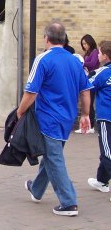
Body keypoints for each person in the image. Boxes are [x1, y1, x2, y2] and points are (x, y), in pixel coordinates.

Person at [18, 22, 91, 217]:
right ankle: (36, 189)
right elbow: (85, 91)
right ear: (64, 39)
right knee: (51, 156)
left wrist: (20, 110)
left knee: (53, 158)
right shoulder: (76, 61)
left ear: (46, 38)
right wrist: (85, 115)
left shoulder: (42, 59)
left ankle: (68, 203)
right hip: (67, 119)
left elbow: (31, 91)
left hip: (48, 118)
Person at [86, 41, 111, 199]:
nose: (98, 55)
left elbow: (87, 86)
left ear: (105, 56)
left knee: (107, 152)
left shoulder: (102, 73)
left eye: (100, 53)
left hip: (106, 118)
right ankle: (102, 181)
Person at [76, 34, 100, 133]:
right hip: (87, 78)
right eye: (83, 44)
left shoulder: (95, 52)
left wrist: (81, 63)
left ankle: (91, 127)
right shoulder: (87, 53)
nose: (84, 45)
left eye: (85, 43)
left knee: (89, 103)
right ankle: (86, 126)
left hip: (92, 79)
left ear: (90, 42)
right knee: (86, 103)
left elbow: (93, 64)